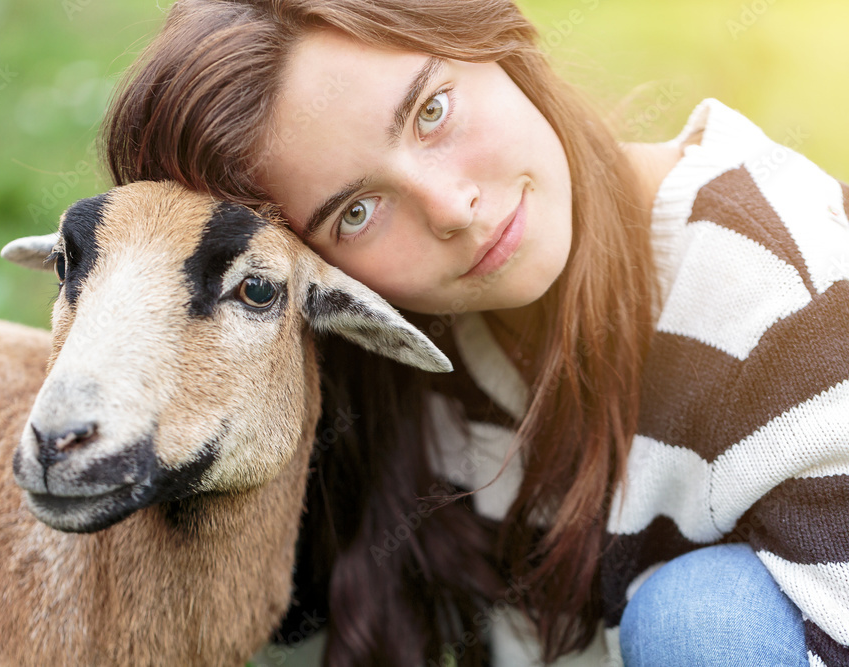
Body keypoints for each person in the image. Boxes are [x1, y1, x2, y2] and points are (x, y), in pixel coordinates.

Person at [98, 1, 849, 665]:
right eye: (356, 211)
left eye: (432, 110)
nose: (452, 206)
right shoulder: (428, 351)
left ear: (490, 36)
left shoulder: (778, 285)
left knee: (696, 618)